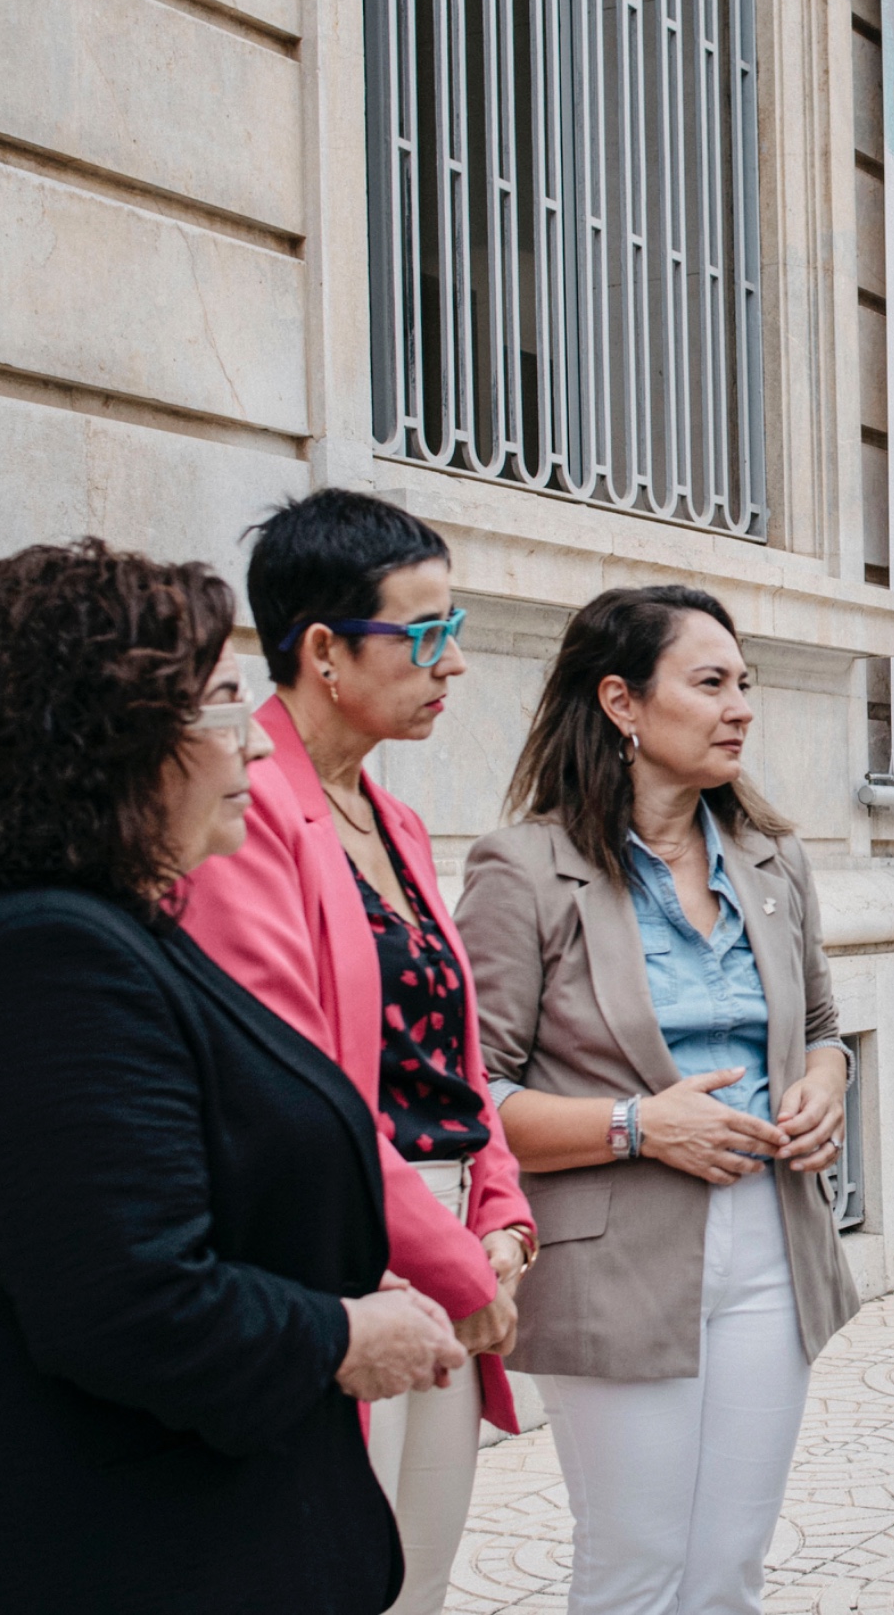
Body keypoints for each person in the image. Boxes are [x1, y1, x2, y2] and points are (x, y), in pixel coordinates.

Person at [0, 540, 467, 1613]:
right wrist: (341, 1335)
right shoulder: (41, 957)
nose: (253, 739)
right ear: (112, 742)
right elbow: (128, 1302)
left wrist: (316, 1270)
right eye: (222, 702)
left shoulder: (111, 926)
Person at [458, 585, 861, 1615]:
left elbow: (818, 1019)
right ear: (622, 701)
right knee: (637, 1569)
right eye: (711, 682)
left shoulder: (774, 860)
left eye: (745, 684)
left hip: (771, 1246)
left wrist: (825, 1079)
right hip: (612, 1261)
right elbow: (475, 1099)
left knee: (728, 1566)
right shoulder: (525, 870)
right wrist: (638, 1124)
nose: (741, 707)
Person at [180, 491, 536, 1615]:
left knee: (417, 1574)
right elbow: (300, 1085)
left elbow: (454, 1050)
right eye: (423, 634)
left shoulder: (399, 819)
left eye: (456, 629)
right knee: (336, 1573)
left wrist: (502, 1204)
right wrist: (456, 1262)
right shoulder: (241, 813)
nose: (453, 663)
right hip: (338, 1245)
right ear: (324, 649)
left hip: (441, 1233)